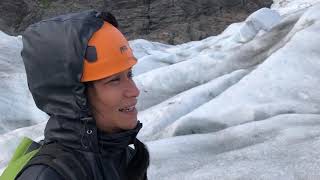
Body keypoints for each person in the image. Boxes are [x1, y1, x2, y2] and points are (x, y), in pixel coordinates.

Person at [16, 10, 149, 180]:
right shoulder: (47, 176)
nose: (134, 91)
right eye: (114, 80)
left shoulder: (127, 158)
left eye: (129, 75)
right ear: (75, 96)